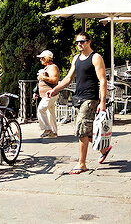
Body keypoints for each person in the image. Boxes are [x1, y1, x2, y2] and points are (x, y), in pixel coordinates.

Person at [46, 32, 108, 173]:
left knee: (81, 130)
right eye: (77, 42)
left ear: (89, 42)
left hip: (90, 98)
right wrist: (55, 90)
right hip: (78, 97)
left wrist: (102, 102)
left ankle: (82, 164)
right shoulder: (76, 58)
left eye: (82, 41)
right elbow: (68, 78)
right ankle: (104, 148)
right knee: (87, 130)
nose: (79, 44)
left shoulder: (96, 57)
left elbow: (102, 80)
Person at [35, 49, 61, 138]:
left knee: (41, 109)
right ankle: (54, 132)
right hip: (47, 94)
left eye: (42, 58)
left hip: (51, 94)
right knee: (51, 112)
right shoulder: (46, 68)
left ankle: (47, 129)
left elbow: (55, 80)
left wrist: (43, 77)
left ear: (47, 58)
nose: (40, 60)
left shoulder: (53, 67)